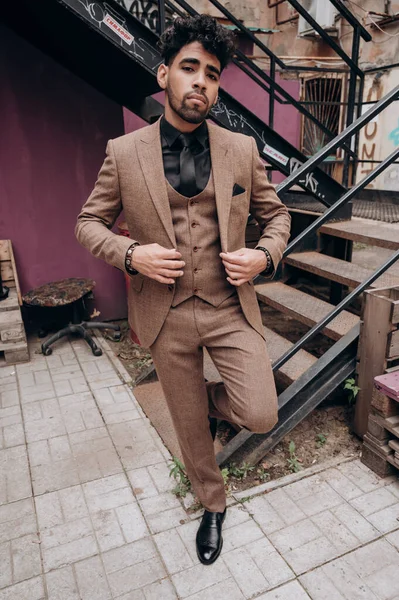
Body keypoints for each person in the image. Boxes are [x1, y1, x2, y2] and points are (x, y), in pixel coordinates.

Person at [75, 14, 291, 565]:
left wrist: (263, 254)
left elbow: (278, 215)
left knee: (261, 411)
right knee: (188, 427)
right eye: (190, 68)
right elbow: (88, 223)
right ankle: (211, 504)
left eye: (212, 74)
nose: (201, 81)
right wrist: (131, 253)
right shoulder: (123, 153)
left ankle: (215, 407)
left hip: (227, 308)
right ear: (164, 72)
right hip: (164, 314)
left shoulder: (240, 149)